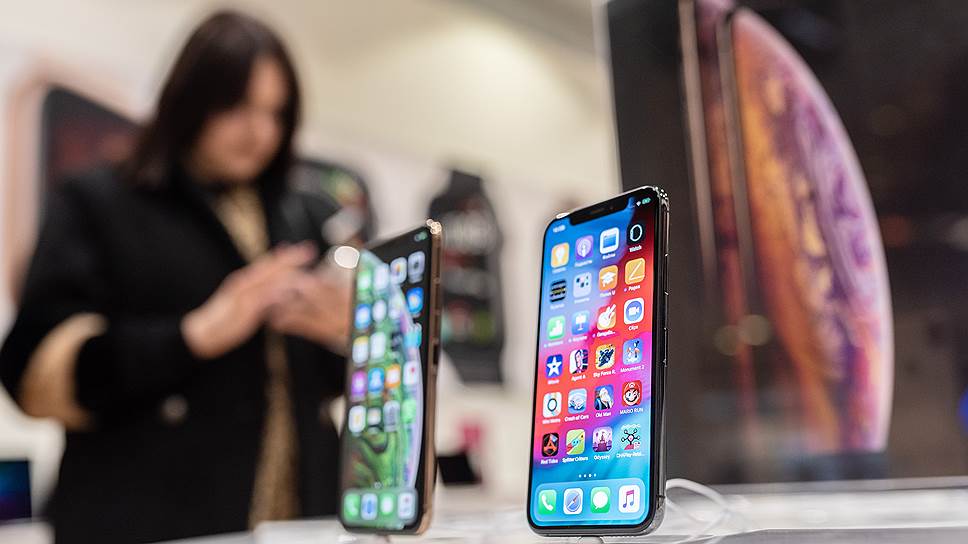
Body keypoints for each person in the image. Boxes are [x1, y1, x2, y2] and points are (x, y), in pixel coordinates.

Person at [0, 11, 351, 544]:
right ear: (192, 99)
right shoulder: (101, 202)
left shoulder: (303, 216)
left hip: (301, 520)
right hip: (150, 519)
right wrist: (195, 335)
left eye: (275, 113)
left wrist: (347, 333)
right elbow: (34, 372)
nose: (259, 133)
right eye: (237, 107)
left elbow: (326, 383)